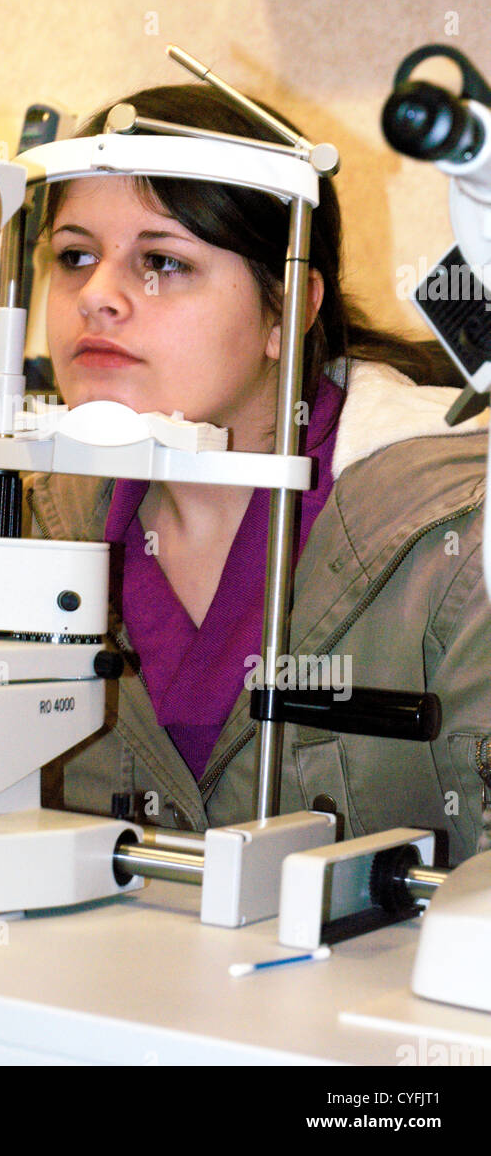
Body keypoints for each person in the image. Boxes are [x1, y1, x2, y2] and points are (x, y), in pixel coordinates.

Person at [26, 83, 491, 863]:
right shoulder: (38, 518)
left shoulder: (452, 536)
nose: (97, 296)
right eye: (74, 256)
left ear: (286, 310)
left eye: (161, 263)